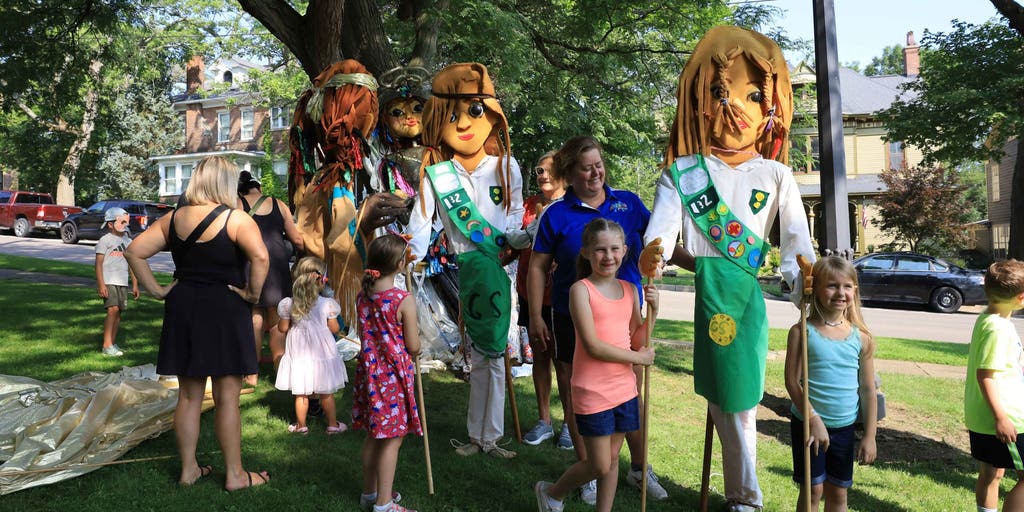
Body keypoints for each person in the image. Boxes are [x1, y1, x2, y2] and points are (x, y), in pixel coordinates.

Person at [644, 25, 815, 511]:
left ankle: (745, 494)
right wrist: (654, 251)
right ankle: (746, 496)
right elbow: (662, 230)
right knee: (733, 402)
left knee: (740, 399)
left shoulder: (776, 173)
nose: (733, 107)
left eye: (751, 95)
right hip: (711, 296)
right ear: (700, 102)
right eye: (720, 93)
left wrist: (802, 275)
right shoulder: (683, 172)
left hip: (746, 299)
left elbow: (795, 241)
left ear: (771, 107)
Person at [528, 135, 667, 502]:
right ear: (570, 173)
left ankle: (636, 467)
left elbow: (659, 242)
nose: (595, 172)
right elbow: (538, 267)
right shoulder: (556, 213)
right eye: (586, 167)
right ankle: (588, 467)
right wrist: (534, 316)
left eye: (598, 164)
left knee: (626, 392)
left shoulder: (629, 203)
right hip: (569, 312)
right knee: (579, 395)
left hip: (624, 309)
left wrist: (701, 264)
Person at [125, 155, 271, 490]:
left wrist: (160, 291)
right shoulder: (236, 219)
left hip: (184, 306)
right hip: (224, 306)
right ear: (226, 183)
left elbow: (134, 251)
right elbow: (261, 256)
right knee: (227, 397)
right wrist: (252, 293)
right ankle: (235, 474)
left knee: (189, 396)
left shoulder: (173, 218)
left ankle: (188, 469)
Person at [406, 62, 524, 459]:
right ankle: (478, 436)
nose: (463, 125)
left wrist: (523, 238)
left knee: (495, 353)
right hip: (464, 271)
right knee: (477, 354)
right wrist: (408, 255)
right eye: (452, 116)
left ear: (491, 114)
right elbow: (420, 225)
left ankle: (491, 436)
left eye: (474, 111)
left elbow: (513, 219)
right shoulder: (437, 174)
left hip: (498, 268)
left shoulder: (507, 168)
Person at [534, 218, 658, 512]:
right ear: (586, 252)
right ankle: (552, 493)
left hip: (624, 389)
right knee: (599, 463)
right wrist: (638, 359)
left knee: (612, 460)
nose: (608, 256)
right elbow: (593, 345)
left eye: (615, 249)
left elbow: (637, 337)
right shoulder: (581, 290)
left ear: (625, 250)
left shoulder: (630, 289)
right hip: (593, 390)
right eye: (600, 250)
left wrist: (653, 311)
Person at [783, 256, 877, 512]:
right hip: (808, 424)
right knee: (813, 490)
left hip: (844, 427)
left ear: (855, 290)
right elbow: (792, 382)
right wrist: (813, 419)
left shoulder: (862, 338)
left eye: (847, 286)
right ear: (814, 289)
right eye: (832, 285)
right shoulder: (802, 332)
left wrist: (870, 436)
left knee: (839, 493)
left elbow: (868, 390)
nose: (840, 292)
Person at [353, 234, 422, 512]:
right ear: (398, 264)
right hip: (391, 378)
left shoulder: (363, 295)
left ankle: (370, 493)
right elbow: (413, 345)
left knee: (374, 434)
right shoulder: (402, 299)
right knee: (391, 439)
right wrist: (416, 349)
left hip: (369, 375)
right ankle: (384, 504)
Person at [515, 151, 571, 448]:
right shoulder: (528, 205)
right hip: (530, 293)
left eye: (550, 170)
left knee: (564, 363)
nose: (543, 175)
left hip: (561, 295)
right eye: (539, 170)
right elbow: (516, 241)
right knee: (540, 357)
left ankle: (569, 424)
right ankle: (544, 420)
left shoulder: (571, 206)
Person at [965, 259, 1024, 512]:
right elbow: (985, 375)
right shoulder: (998, 328)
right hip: (1005, 420)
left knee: (992, 473)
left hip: (983, 419)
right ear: (1021, 297)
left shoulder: (988, 318)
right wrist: (1001, 418)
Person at [238, 170, 305, 385]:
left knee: (255, 319)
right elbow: (297, 239)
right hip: (277, 267)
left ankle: (252, 374)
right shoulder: (279, 204)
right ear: (259, 187)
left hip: (251, 264)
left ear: (240, 189)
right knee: (277, 320)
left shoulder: (238, 204)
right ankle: (280, 371)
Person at [274, 256, 348, 434]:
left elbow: (282, 328)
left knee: (301, 393)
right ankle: (332, 425)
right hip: (322, 351)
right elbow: (335, 329)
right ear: (321, 279)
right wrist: (333, 315)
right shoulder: (327, 304)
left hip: (299, 353)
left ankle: (301, 426)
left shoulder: (288, 304)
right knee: (326, 392)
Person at [95, 206, 139, 357]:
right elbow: (98, 264)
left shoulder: (128, 241)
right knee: (112, 310)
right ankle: (106, 345)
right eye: (121, 221)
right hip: (108, 280)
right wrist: (101, 284)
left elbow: (132, 264)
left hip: (122, 282)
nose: (125, 225)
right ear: (110, 224)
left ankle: (112, 344)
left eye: (126, 222)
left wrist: (135, 283)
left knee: (118, 312)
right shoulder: (105, 240)